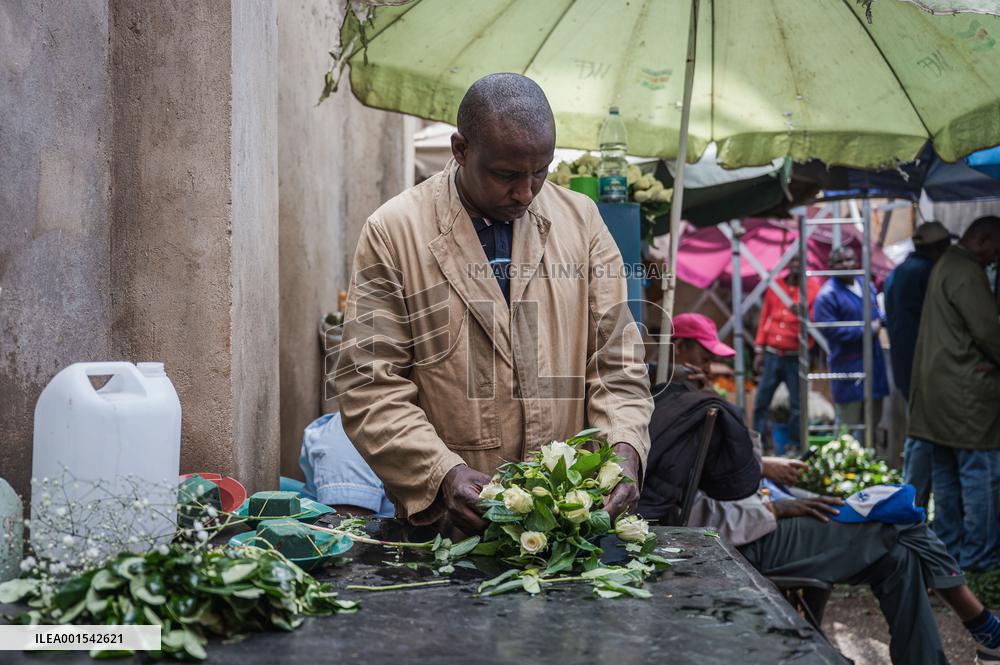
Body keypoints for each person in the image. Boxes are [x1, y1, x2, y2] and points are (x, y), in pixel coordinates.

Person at [334, 73, 652, 532]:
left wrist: (623, 447)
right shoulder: (394, 231)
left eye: (540, 172)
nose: (525, 193)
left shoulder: (581, 223)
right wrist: (441, 473)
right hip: (450, 526)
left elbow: (617, 364)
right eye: (506, 175)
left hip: (568, 522)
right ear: (460, 149)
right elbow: (370, 386)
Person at [672, 319, 1000, 665]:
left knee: (898, 558)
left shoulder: (693, 402)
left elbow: (734, 467)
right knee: (898, 524)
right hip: (748, 536)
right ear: (679, 350)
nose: (709, 368)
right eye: (704, 357)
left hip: (759, 514)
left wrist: (760, 464)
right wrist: (777, 509)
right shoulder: (675, 414)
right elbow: (696, 516)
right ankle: (984, 626)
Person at [908, 216, 1000, 572]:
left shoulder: (946, 265)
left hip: (939, 393)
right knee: (981, 476)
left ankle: (948, 556)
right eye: (996, 248)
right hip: (965, 394)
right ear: (983, 240)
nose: (996, 257)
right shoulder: (966, 272)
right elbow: (989, 331)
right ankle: (979, 560)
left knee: (947, 478)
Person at [883, 221, 952, 508]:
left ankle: (914, 498)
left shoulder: (895, 273)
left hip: (904, 364)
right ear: (937, 247)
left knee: (919, 431)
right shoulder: (929, 273)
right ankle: (917, 500)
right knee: (926, 435)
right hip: (925, 366)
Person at [812, 246, 889, 436]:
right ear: (830, 266)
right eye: (840, 261)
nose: (846, 265)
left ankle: (867, 464)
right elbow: (832, 331)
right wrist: (867, 330)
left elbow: (877, 316)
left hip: (874, 366)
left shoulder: (866, 285)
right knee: (849, 427)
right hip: (849, 369)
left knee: (873, 422)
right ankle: (844, 465)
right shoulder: (827, 296)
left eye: (849, 259)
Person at [751, 254, 820, 455]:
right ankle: (759, 444)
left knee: (797, 405)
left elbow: (816, 323)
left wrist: (805, 317)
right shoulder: (776, 286)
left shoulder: (813, 288)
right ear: (788, 263)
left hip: (795, 355)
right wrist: (759, 349)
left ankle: (794, 445)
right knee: (761, 402)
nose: (797, 264)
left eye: (800, 260)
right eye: (793, 260)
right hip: (772, 353)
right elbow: (765, 317)